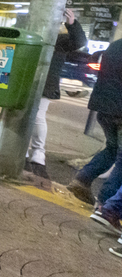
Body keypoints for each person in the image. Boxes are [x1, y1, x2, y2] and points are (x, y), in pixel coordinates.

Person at [31, 10, 86, 181]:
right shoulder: (33, 36)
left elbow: (79, 42)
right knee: (26, 115)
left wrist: (72, 23)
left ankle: (38, 153)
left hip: (46, 83)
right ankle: (27, 152)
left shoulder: (60, 41)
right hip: (28, 80)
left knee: (38, 116)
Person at [71, 37, 122, 214]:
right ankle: (106, 203)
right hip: (120, 109)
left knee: (112, 149)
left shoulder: (116, 45)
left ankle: (83, 179)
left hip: (103, 105)